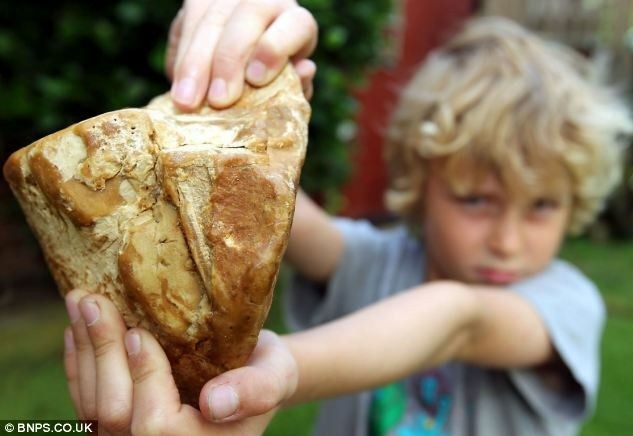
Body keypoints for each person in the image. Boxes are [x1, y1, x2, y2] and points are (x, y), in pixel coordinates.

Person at [62, 1, 633, 435]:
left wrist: (283, 371)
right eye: (476, 200)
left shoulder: (566, 302)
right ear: (420, 180)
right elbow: (270, 208)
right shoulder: (370, 261)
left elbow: (458, 318)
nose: (508, 241)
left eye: (541, 206)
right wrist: (247, 97)